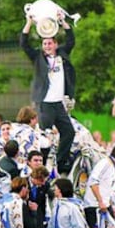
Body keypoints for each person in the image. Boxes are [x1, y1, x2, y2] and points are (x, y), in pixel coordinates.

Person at [20, 16, 76, 174]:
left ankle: (60, 161)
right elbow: (24, 44)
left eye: (50, 43)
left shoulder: (62, 55)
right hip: (44, 103)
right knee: (45, 137)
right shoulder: (38, 57)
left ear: (56, 44)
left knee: (69, 132)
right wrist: (29, 22)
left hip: (58, 103)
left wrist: (63, 22)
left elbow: (71, 40)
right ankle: (40, 166)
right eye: (44, 43)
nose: (47, 46)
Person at [84, 143, 115, 228]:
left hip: (104, 206)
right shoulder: (105, 164)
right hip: (94, 206)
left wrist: (110, 206)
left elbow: (107, 188)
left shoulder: (112, 166)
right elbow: (93, 182)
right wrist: (100, 201)